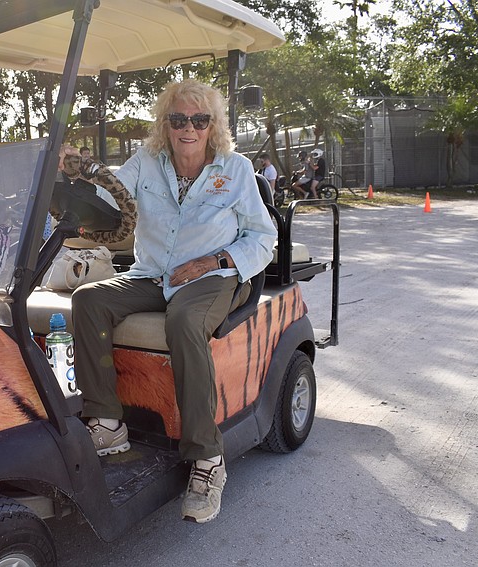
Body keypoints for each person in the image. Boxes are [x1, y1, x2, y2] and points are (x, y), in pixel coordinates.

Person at [70, 79, 277, 524]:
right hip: (153, 273)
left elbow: (263, 238)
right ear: (165, 124)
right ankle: (107, 423)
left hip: (214, 274)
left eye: (199, 120)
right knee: (88, 301)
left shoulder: (235, 169)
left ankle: (207, 458)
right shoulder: (146, 162)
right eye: (178, 119)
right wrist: (80, 175)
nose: (189, 128)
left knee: (182, 322)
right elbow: (109, 196)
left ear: (212, 126)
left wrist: (212, 261)